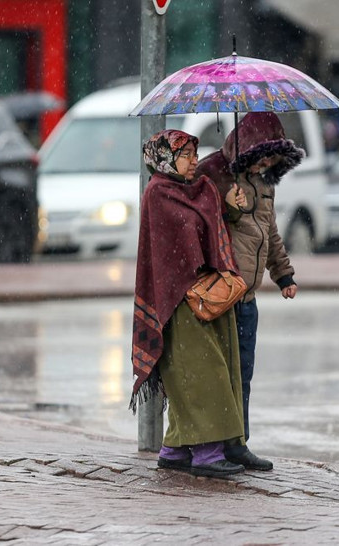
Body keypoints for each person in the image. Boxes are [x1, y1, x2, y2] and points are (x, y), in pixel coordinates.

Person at [130, 129, 250, 479]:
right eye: (185, 155)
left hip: (210, 295)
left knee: (205, 371)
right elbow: (171, 252)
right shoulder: (158, 193)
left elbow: (211, 229)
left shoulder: (202, 189)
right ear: (166, 159)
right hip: (180, 300)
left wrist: (229, 207)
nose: (194, 160)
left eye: (195, 154)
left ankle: (175, 449)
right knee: (200, 376)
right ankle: (207, 454)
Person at [196, 112, 304, 471]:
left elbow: (269, 233)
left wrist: (283, 274)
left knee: (243, 374)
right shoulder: (216, 176)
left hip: (247, 298)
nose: (266, 164)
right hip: (222, 293)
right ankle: (212, 446)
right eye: (261, 156)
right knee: (219, 375)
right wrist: (230, 208)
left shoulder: (265, 184)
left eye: (273, 158)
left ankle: (237, 442)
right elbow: (203, 226)